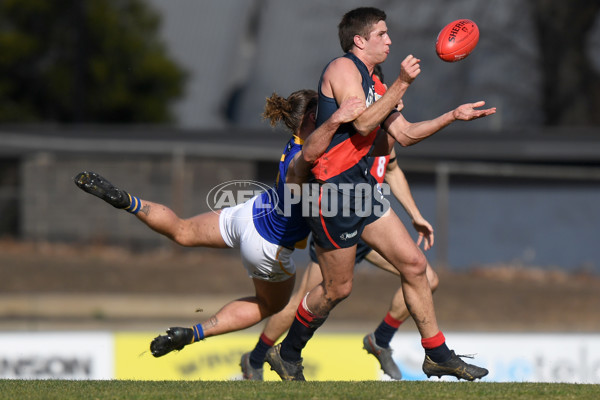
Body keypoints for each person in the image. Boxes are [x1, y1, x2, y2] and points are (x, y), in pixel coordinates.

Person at [265, 7, 496, 382]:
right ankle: (286, 354)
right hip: (332, 191)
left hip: (360, 190)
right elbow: (361, 122)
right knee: (337, 289)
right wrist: (403, 83)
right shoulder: (342, 69)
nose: (390, 40)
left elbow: (402, 135)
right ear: (360, 40)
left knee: (415, 265)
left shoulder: (376, 83)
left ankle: (437, 354)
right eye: (382, 34)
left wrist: (452, 115)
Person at [73, 90, 365, 357]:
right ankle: (195, 333)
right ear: (313, 117)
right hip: (268, 243)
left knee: (183, 231)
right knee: (271, 306)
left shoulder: (296, 143)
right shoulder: (307, 154)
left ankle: (128, 201)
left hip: (248, 214)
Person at [240, 68, 439, 381]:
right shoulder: (347, 133)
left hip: (370, 224)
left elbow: (393, 170)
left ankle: (380, 339)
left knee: (425, 277)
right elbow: (302, 178)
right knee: (307, 302)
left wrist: (415, 214)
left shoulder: (384, 133)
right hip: (336, 224)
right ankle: (255, 358)